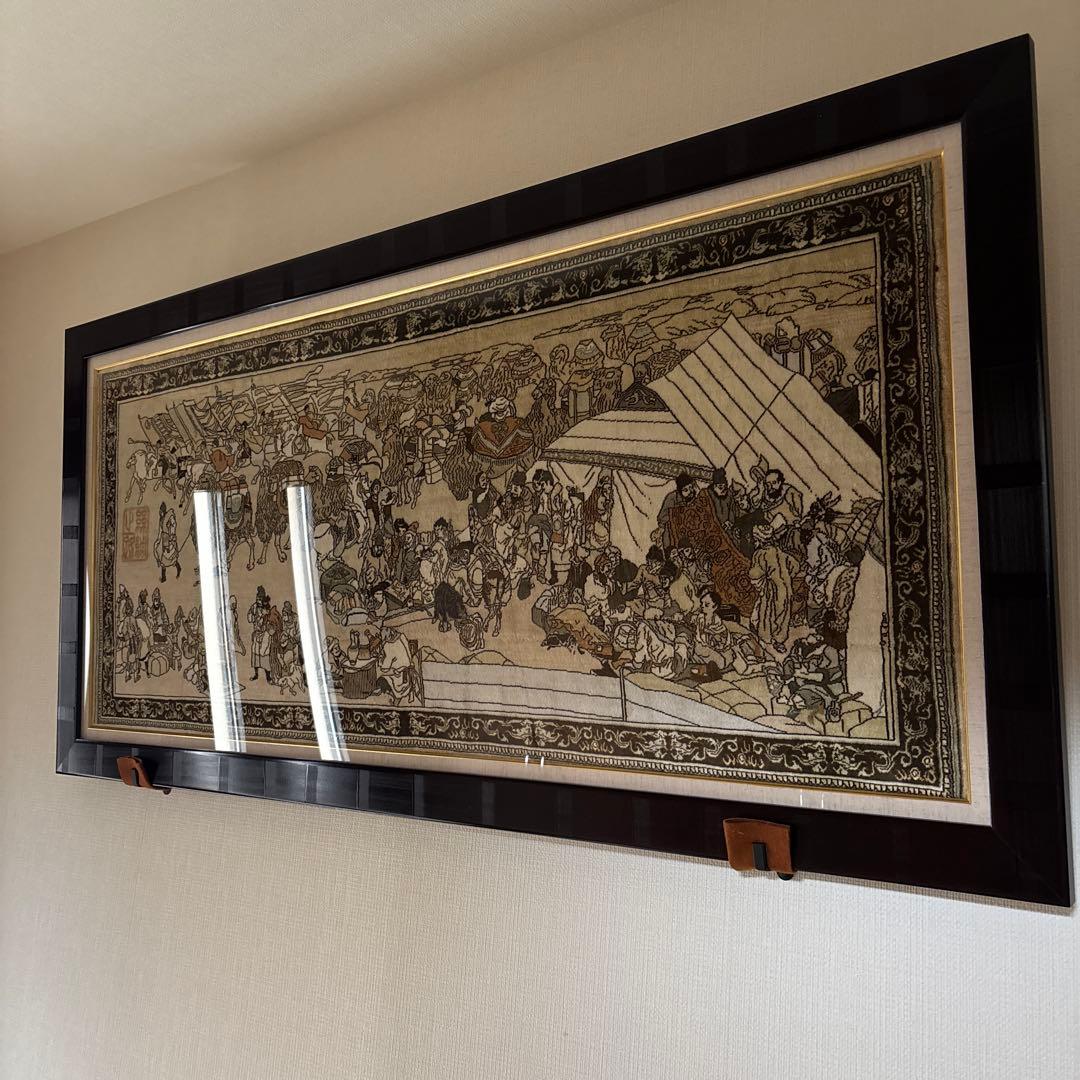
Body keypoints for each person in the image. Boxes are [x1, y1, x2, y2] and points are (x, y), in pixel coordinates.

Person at [657, 473, 699, 548]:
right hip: (673, 535)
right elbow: (662, 517)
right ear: (679, 490)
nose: (690, 491)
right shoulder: (672, 498)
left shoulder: (694, 499)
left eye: (691, 487)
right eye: (685, 490)